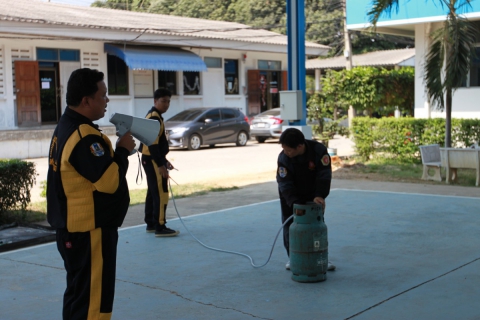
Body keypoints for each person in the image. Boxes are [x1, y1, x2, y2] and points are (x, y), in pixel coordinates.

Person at [46, 68, 135, 320]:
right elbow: (109, 181)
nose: (107, 101)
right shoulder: (83, 135)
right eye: (103, 95)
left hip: (74, 230)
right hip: (89, 231)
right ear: (86, 101)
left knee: (79, 297)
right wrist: (122, 151)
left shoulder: (66, 126)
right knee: (94, 303)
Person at [276, 128, 336, 271]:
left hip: (313, 193)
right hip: (290, 195)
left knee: (316, 225)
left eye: (289, 150)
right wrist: (294, 203)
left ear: (300, 146)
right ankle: (294, 258)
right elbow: (284, 183)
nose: (286, 153)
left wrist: (320, 195)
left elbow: (324, 175)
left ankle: (321, 258)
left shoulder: (318, 151)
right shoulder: (283, 158)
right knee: (290, 224)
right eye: (284, 149)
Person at [139, 88, 179, 237]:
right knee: (161, 193)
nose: (166, 104)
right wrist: (161, 165)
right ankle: (160, 226)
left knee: (152, 191)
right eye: (163, 101)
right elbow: (152, 144)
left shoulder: (155, 116)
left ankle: (150, 222)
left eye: (168, 101)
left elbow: (154, 144)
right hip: (152, 160)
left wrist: (164, 160)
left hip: (151, 159)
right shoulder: (154, 118)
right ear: (155, 101)